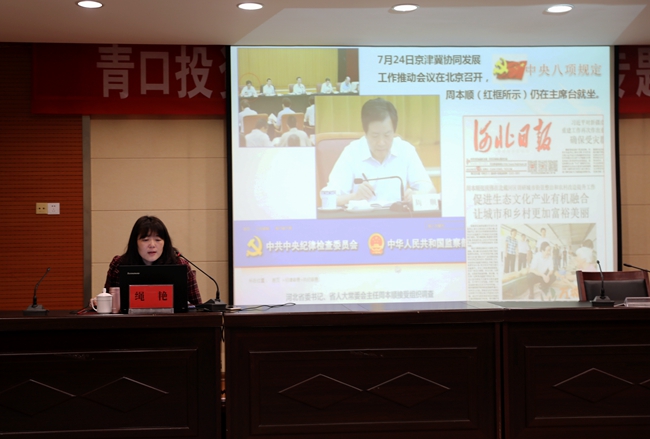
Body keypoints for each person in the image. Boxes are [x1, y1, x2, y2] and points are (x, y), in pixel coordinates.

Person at [322, 98, 435, 207]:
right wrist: (355, 197)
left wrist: (417, 195)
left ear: (394, 132)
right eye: (375, 136)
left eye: (387, 135)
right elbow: (328, 198)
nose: (381, 143)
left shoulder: (405, 150)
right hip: (363, 218)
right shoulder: (352, 152)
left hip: (397, 217)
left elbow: (430, 190)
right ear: (365, 133)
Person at [104, 216, 202, 305]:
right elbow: (107, 302)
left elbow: (198, 307)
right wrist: (101, 302)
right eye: (145, 240)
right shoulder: (119, 264)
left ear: (165, 243)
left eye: (158, 240)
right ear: (135, 242)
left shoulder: (180, 265)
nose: (152, 245)